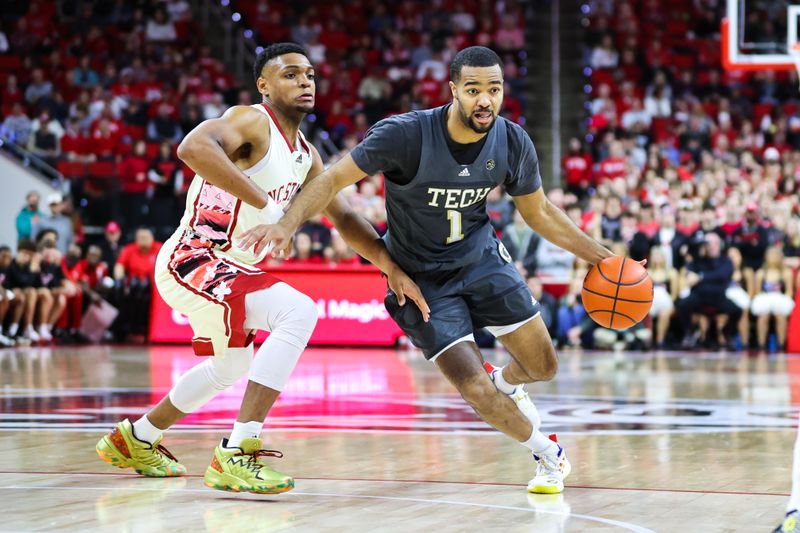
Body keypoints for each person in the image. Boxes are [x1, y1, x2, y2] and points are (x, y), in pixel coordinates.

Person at [245, 46, 620, 494]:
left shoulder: (512, 140)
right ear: (453, 91)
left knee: (543, 366)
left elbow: (539, 212)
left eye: (494, 90)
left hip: (482, 261)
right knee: (475, 391)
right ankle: (547, 452)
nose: (485, 100)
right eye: (474, 90)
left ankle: (506, 381)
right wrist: (287, 222)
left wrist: (602, 257)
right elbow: (330, 181)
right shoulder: (405, 135)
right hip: (420, 279)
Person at [95, 43, 425, 495]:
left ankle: (135, 439)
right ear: (264, 86)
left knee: (228, 369)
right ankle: (237, 451)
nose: (304, 81)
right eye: (290, 74)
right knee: (298, 312)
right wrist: (267, 205)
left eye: (309, 74)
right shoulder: (251, 120)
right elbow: (192, 147)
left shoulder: (306, 156)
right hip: (194, 257)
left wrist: (389, 265)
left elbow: (346, 219)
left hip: (228, 268)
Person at [751, 247, 795, 352]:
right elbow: (757, 291)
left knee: (780, 316)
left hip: (780, 300)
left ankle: (781, 344)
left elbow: (789, 291)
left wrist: (783, 302)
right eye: (770, 255)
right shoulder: (761, 273)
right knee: (763, 316)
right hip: (765, 299)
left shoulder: (786, 273)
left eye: (775, 255)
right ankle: (761, 344)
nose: (772, 258)